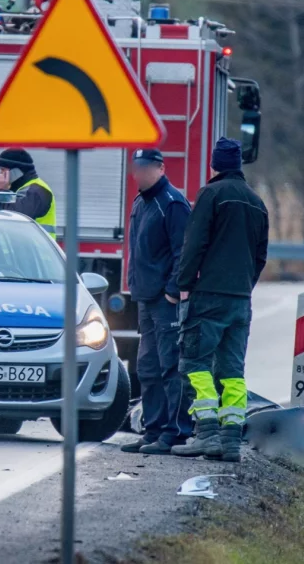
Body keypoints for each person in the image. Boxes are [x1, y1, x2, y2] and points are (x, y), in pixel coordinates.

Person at [171, 138, 269, 463]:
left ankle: (207, 433)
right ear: (238, 166)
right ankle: (230, 442)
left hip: (209, 296)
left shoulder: (211, 194)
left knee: (194, 364)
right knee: (232, 371)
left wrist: (182, 284)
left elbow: (194, 243)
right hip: (241, 300)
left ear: (214, 165)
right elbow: (260, 257)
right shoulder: (257, 202)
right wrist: (244, 286)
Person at [120, 149, 194, 455]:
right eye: (136, 167)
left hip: (164, 301)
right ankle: (152, 430)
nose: (139, 172)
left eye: (145, 167)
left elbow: (184, 251)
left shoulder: (172, 204)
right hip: (145, 298)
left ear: (161, 168)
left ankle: (174, 432)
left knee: (170, 366)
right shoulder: (141, 201)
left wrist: (173, 290)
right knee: (147, 367)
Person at [0, 149, 56, 239]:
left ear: (16, 172)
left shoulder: (36, 191)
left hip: (34, 251)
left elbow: (15, 218)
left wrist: (0, 192)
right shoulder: (17, 190)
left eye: (3, 170)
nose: (0, 175)